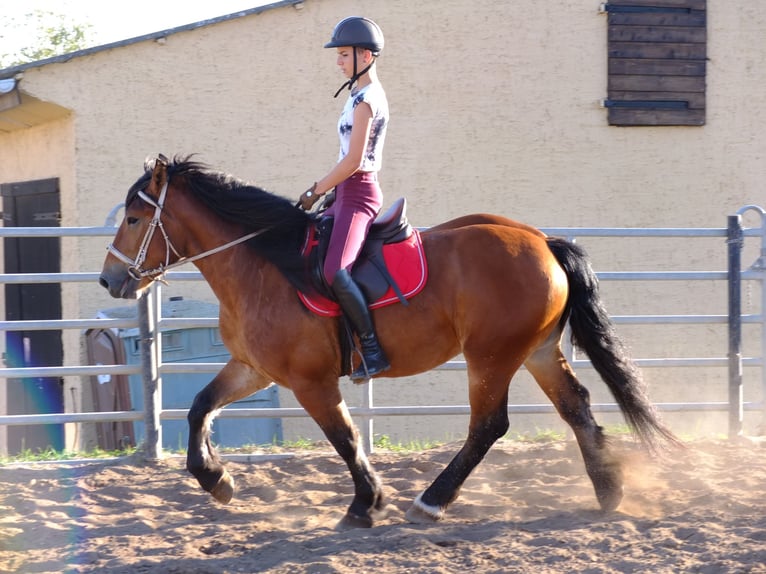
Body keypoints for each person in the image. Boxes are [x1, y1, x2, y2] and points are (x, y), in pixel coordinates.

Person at [299, 16, 390, 381]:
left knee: (336, 270)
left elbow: (354, 161)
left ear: (365, 56)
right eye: (337, 55)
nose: (338, 62)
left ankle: (371, 349)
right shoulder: (355, 96)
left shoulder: (368, 99)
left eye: (343, 55)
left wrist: (316, 189)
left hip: (359, 194)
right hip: (343, 193)